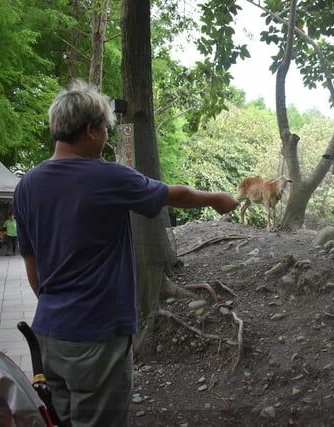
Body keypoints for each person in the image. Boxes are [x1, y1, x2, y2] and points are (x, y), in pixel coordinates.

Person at [13, 79, 239, 427]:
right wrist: (217, 199)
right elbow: (173, 194)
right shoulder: (106, 177)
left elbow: (32, 264)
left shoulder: (26, 185)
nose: (106, 137)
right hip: (97, 335)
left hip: (48, 336)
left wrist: (55, 310)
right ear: (89, 130)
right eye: (105, 129)